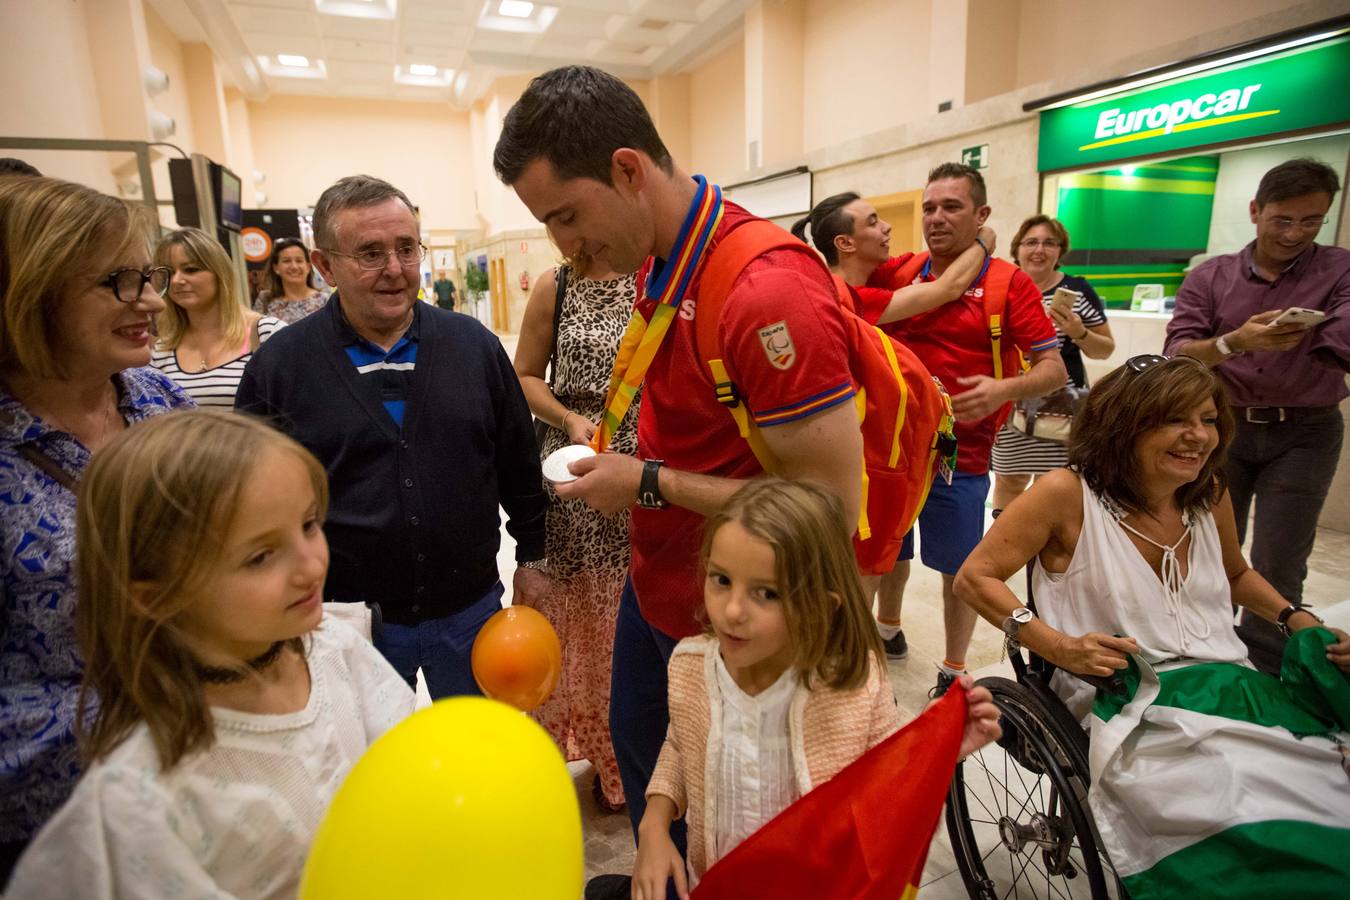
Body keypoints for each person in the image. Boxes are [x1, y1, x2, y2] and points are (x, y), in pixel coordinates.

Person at [494, 66, 866, 898]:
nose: (564, 245)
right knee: (654, 783)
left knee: (732, 828)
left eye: (565, 215)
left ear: (628, 169)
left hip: (743, 614)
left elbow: (830, 508)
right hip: (659, 590)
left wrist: (651, 483)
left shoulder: (766, 290)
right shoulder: (662, 263)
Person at [955, 354, 1350, 897]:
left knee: (1319, 776)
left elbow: (1234, 572)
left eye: (1208, 420)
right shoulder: (1064, 495)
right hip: (1123, 693)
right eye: (1175, 420)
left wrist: (1295, 617)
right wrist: (1059, 645)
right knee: (1236, 791)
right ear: (1124, 425)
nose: (1198, 437)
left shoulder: (1207, 492)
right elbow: (974, 578)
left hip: (1227, 682)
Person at [6, 410, 416, 898]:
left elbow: (407, 768)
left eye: (308, 525)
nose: (311, 566)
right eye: (260, 556)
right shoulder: (140, 796)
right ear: (155, 596)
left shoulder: (334, 647)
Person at [235, 174, 549, 699]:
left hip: (468, 613)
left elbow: (518, 461)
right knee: (365, 769)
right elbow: (248, 502)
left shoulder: (472, 348)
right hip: (344, 625)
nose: (396, 270)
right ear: (325, 266)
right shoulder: (281, 367)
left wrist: (533, 558)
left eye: (406, 248)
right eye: (370, 253)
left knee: (473, 753)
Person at [633, 479, 1002, 898]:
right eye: (721, 579)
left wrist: (936, 749)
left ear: (822, 606)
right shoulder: (689, 666)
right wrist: (655, 821)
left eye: (766, 593)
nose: (732, 610)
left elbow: (886, 783)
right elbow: (680, 744)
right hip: (717, 882)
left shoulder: (857, 682)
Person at [0, 176, 193, 881]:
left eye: (150, 276)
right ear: (32, 289)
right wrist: (143, 723)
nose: (150, 300)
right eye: (118, 281)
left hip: (192, 793)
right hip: (63, 831)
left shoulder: (155, 399)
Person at [869, 164, 1065, 687]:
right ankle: (887, 629)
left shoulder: (1008, 284)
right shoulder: (902, 273)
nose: (936, 218)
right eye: (930, 207)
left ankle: (954, 669)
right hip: (891, 452)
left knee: (960, 569)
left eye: (951, 207)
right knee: (887, 550)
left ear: (981, 215)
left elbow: (1054, 368)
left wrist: (1003, 389)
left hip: (964, 456)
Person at [1165, 157, 1350, 674]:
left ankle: (1268, 674)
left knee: (1280, 563)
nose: (1295, 233)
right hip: (1221, 430)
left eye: (1311, 221)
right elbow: (1178, 353)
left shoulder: (1340, 270)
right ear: (1256, 211)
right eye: (1283, 219)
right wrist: (1236, 342)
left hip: (1307, 432)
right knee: (1206, 552)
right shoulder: (1211, 277)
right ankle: (1208, 661)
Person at [513, 252, 639, 813]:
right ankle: (579, 751)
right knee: (580, 618)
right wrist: (567, 418)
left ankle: (630, 762)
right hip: (574, 469)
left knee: (631, 619)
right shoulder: (555, 284)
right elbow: (524, 377)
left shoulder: (657, 276)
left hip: (650, 473)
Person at [990, 215, 1114, 513]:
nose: (1039, 250)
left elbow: (1105, 350)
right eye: (1031, 242)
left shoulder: (1078, 291)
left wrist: (1078, 332)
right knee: (1009, 481)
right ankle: (1007, 549)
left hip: (1062, 409)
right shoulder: (1001, 286)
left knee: (1056, 486)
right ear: (1017, 247)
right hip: (1011, 405)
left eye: (1049, 243)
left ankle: (1047, 557)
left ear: (1060, 250)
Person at [790, 191, 996, 326]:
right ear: (845, 243)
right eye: (872, 223)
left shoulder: (874, 272)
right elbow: (948, 288)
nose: (886, 226)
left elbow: (925, 259)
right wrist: (982, 243)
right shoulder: (847, 298)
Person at [150, 227, 285, 407]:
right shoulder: (162, 351)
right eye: (169, 272)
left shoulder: (266, 333)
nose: (177, 280)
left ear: (219, 273)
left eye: (191, 269)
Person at [252, 236, 329, 323]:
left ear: (308, 266)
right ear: (276, 267)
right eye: (286, 261)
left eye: (299, 260)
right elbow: (255, 332)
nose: (294, 267)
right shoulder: (265, 300)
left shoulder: (324, 301)